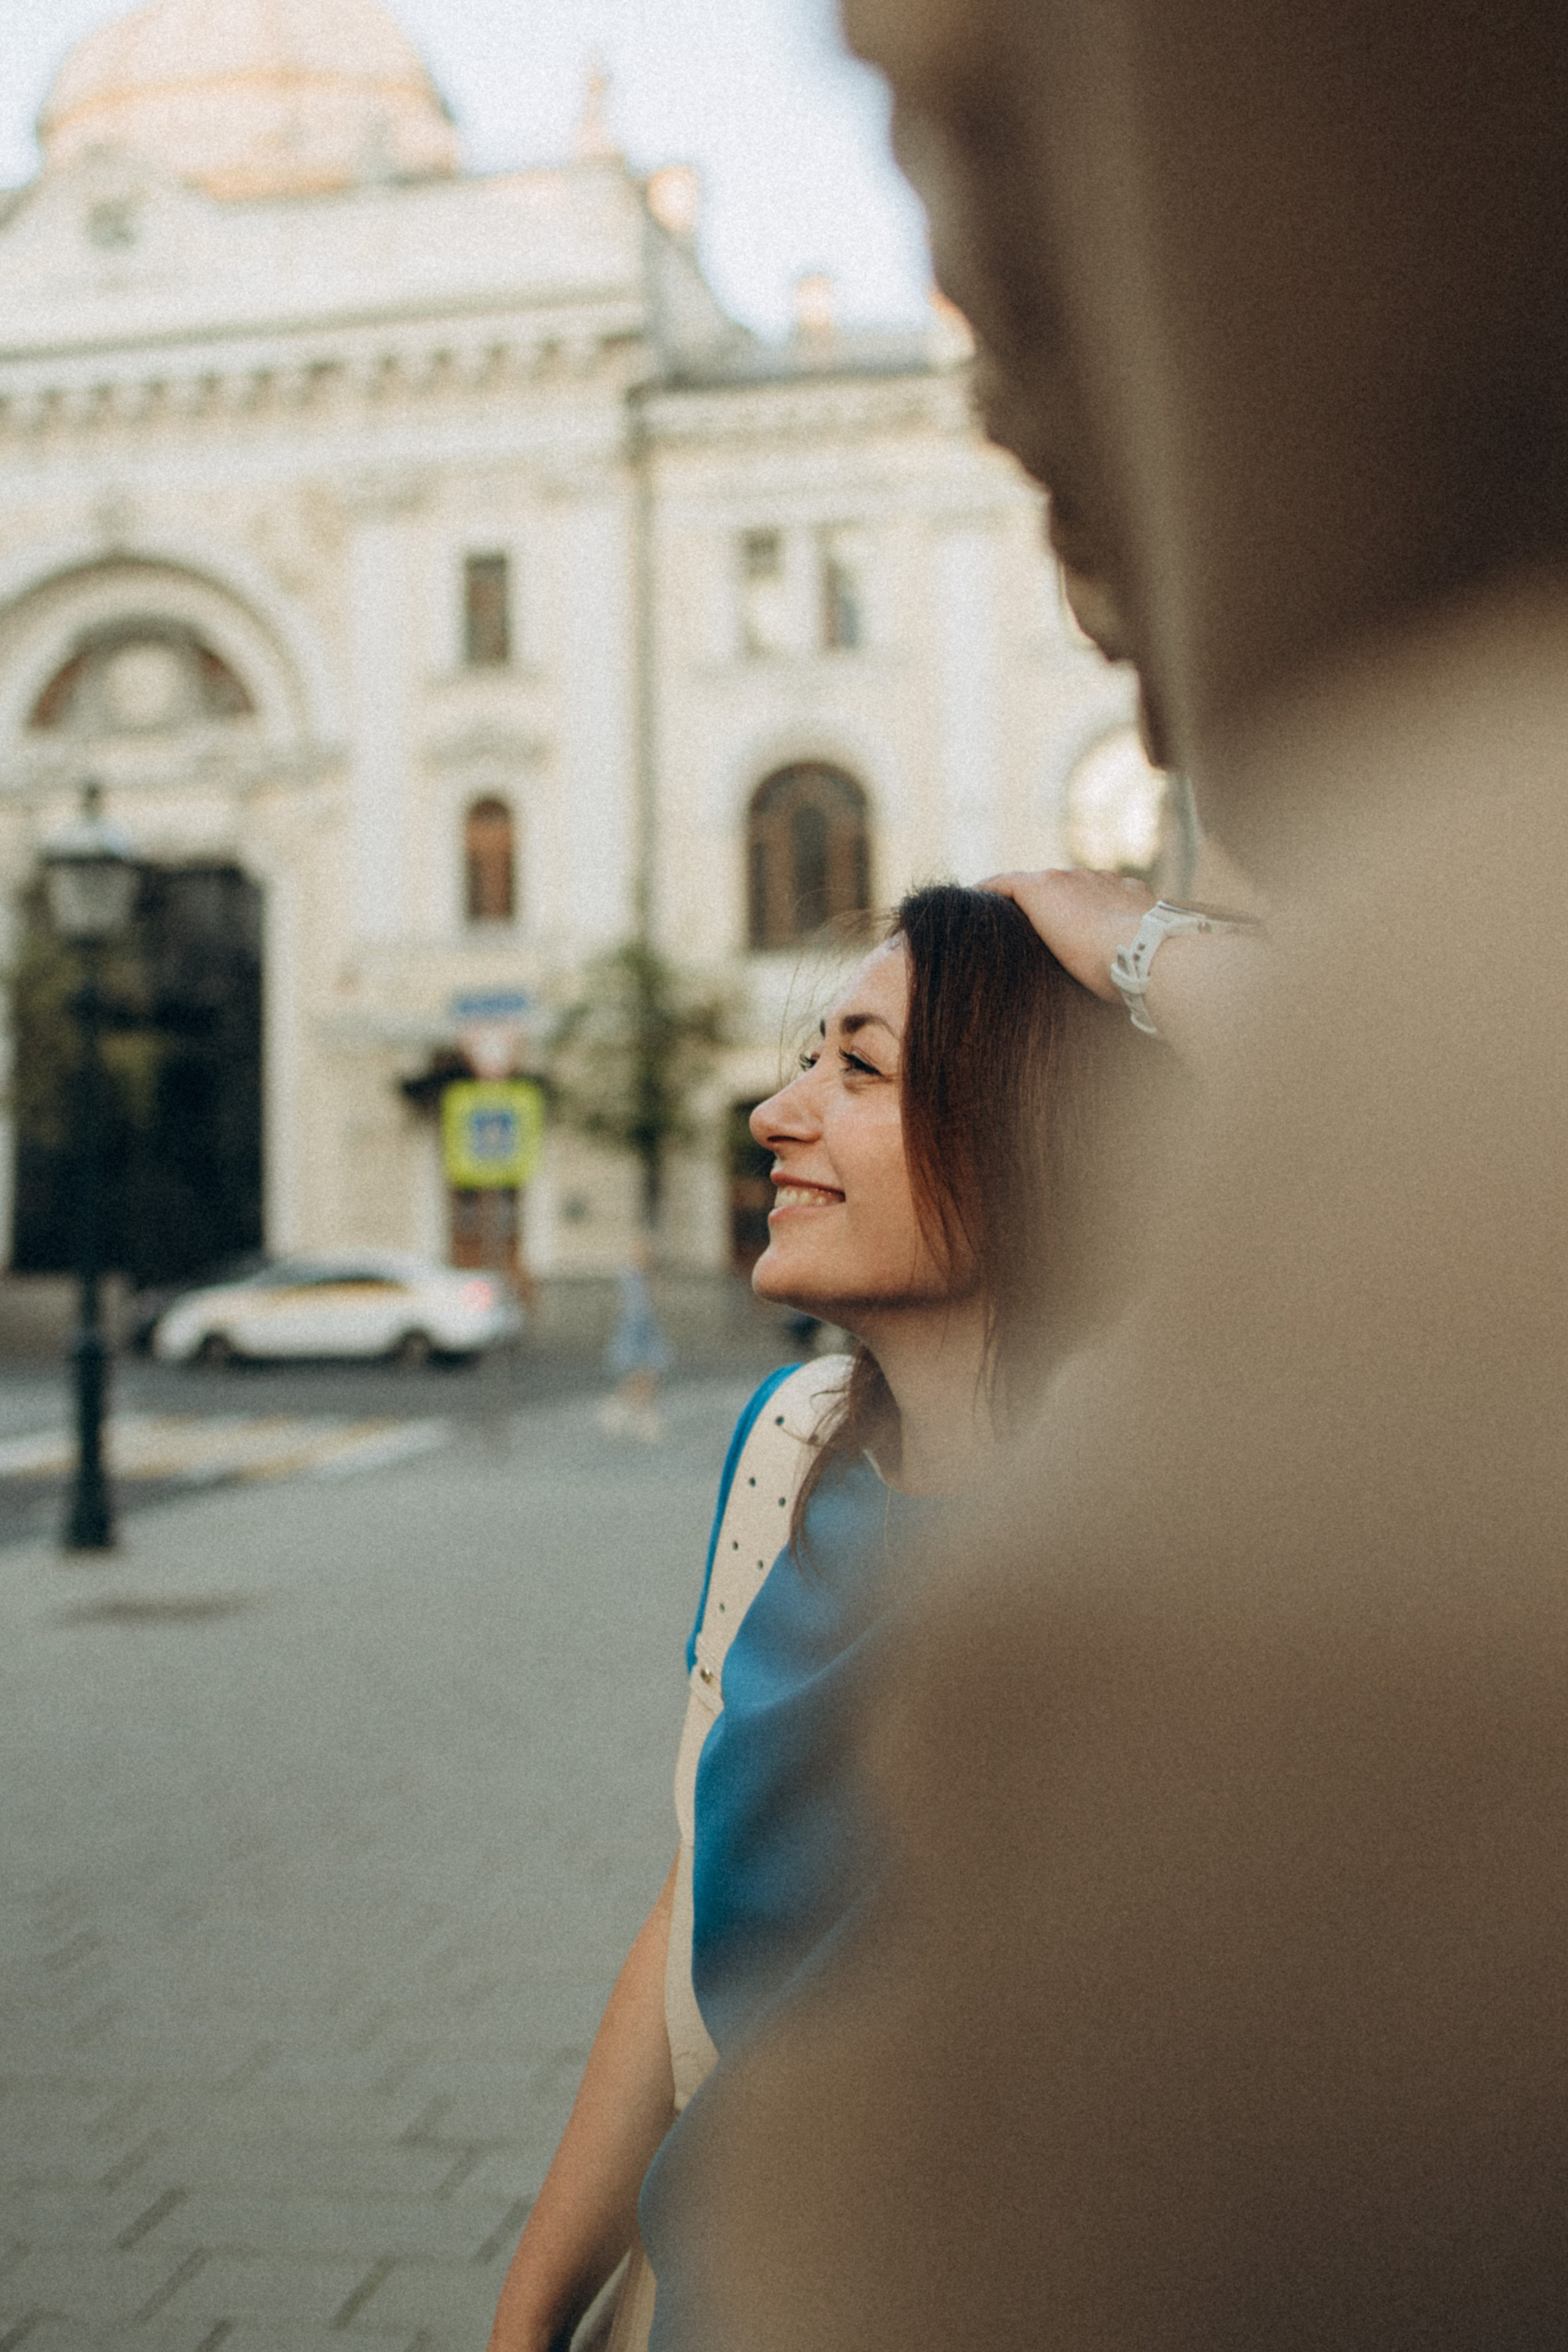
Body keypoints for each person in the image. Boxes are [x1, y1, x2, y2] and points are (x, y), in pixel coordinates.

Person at [632, 3, 1568, 2347]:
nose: (967, 254)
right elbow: (677, 1957)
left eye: (1005, 77)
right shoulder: (789, 1461)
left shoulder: (1442, 1093)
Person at [484, 877, 1206, 2352]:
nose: (774, 1111)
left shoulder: (1182, 1511)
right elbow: (695, 1913)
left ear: (1034, 1138)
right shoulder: (786, 1441)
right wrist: (530, 2311)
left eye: (856, 1068)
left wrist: (1134, 944)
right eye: (808, 1057)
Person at [598, 1241, 672, 1445]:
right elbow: (639, 1311)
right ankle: (626, 1415)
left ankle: (626, 1414)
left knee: (646, 1379)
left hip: (646, 1333)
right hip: (639, 1333)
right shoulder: (632, 1277)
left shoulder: (642, 1278)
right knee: (643, 1378)